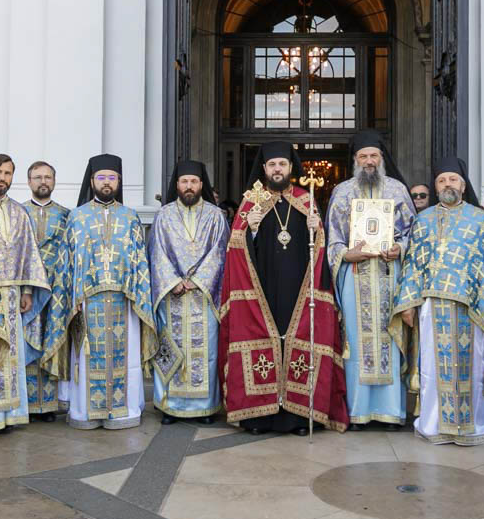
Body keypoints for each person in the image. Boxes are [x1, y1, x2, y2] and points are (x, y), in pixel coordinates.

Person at [219, 141, 347, 433]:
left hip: (298, 290)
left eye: (283, 164)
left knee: (296, 342)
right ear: (264, 169)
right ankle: (258, 416)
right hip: (261, 290)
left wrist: (317, 229)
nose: (278, 169)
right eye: (272, 165)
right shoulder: (251, 201)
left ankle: (300, 417)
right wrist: (249, 229)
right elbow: (235, 252)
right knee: (265, 343)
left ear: (291, 168)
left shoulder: (306, 199)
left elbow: (319, 253)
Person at [393, 158, 484, 445]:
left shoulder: (480, 219)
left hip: (471, 306)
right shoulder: (424, 219)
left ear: (463, 185)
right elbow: (412, 264)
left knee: (474, 364)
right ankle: (434, 423)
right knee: (432, 366)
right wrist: (408, 302)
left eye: (452, 180)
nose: (448, 185)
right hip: (432, 304)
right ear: (436, 186)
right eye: (442, 180)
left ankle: (475, 424)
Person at [44, 154, 157, 430]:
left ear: (119, 181)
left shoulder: (130, 217)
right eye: (101, 178)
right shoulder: (78, 217)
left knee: (125, 356)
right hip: (87, 302)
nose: (107, 183)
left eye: (112, 178)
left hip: (123, 300)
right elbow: (68, 261)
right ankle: (85, 413)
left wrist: (138, 296)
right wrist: (74, 297)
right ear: (92, 180)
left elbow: (140, 261)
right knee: (87, 356)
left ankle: (124, 411)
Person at [325, 130, 415, 427]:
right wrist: (346, 254)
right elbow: (332, 237)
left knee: (389, 337)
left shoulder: (397, 190)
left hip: (390, 275)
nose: (368, 161)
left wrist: (399, 247)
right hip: (355, 278)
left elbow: (412, 232)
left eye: (373, 156)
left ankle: (390, 411)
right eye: (362, 156)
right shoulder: (343, 192)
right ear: (355, 160)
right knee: (355, 340)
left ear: (381, 159)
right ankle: (358, 410)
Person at [0, 153, 49, 431]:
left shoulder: (19, 211)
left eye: (7, 174)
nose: (2, 178)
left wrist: (28, 289)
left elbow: (28, 252)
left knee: (12, 354)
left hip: (14, 294)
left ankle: (10, 415)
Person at [150, 160, 229, 423]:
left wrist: (198, 281)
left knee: (206, 352)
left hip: (202, 297)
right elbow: (156, 253)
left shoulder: (215, 216)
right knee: (171, 349)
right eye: (184, 182)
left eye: (194, 182)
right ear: (176, 185)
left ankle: (205, 406)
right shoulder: (164, 215)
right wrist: (173, 281)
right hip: (172, 295)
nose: (189, 186)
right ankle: (169, 405)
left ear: (201, 185)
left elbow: (220, 252)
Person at [23, 160, 71, 420]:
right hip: (28, 290)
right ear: (29, 182)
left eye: (48, 177)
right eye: (38, 177)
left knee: (51, 339)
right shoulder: (18, 212)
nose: (43, 181)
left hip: (56, 290)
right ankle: (28, 403)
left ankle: (50, 404)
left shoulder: (66, 214)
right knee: (29, 341)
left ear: (54, 181)